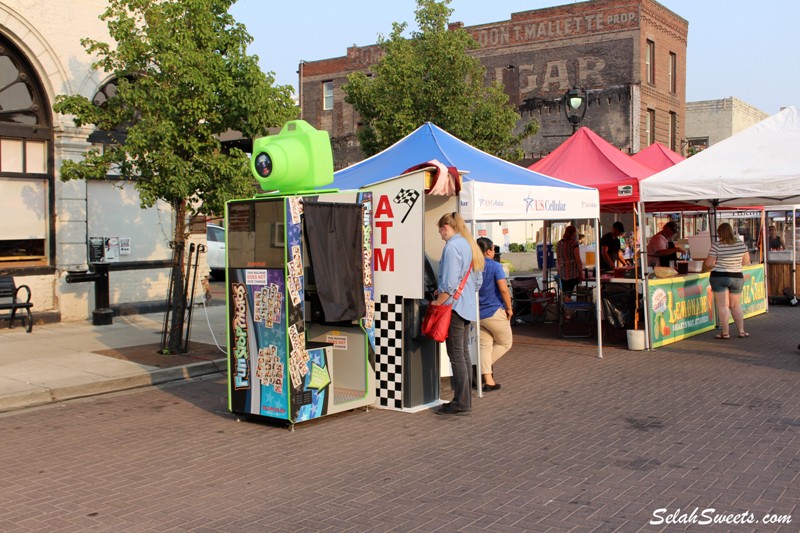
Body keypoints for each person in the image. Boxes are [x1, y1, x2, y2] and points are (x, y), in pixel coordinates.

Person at [431, 212, 484, 416]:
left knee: (456, 355)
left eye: (440, 229)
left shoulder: (452, 247)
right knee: (463, 353)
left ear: (446, 227)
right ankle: (464, 399)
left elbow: (451, 283)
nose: (439, 233)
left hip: (453, 307)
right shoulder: (468, 244)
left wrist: (438, 300)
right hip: (468, 306)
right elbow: (476, 281)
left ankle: (461, 402)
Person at [475, 237, 512, 392]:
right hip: (494, 311)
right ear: (488, 251)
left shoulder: (472, 266)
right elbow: (504, 289)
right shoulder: (495, 266)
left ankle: (489, 381)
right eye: (493, 249)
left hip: (478, 313)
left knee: (485, 346)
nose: (495, 251)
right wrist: (509, 308)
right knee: (505, 343)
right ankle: (480, 368)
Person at [704, 222, 750, 339]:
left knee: (723, 306)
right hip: (737, 277)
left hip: (719, 276)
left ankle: (725, 333)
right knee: (736, 305)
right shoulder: (741, 244)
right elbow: (746, 261)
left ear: (719, 233)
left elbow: (709, 263)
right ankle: (741, 331)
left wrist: (714, 264)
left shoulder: (717, 245)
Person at [556, 225, 584, 318]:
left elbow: (558, 258)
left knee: (565, 292)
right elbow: (578, 260)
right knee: (569, 294)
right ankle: (568, 314)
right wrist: (581, 273)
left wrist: (559, 270)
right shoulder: (573, 244)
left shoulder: (559, 243)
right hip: (572, 272)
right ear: (573, 234)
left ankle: (565, 312)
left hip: (563, 271)